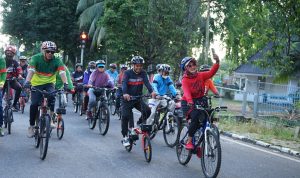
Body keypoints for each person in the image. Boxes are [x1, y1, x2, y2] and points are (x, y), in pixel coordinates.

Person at [24, 41, 68, 138]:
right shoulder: (36, 58)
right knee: (34, 104)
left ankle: (51, 119)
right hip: (36, 83)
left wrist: (66, 84)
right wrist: (27, 82)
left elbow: (62, 73)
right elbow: (31, 71)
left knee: (52, 96)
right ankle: (31, 126)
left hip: (49, 83)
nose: (50, 54)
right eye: (48, 51)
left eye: (52, 52)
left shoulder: (57, 60)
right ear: (43, 51)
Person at [180, 54, 220, 150]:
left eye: (194, 64)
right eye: (189, 65)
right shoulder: (185, 80)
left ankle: (198, 144)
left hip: (200, 99)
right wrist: (190, 101)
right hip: (187, 102)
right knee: (195, 120)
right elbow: (186, 92)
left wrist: (217, 62)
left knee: (207, 117)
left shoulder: (201, 75)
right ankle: (189, 141)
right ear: (185, 68)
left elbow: (211, 73)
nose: (193, 67)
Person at [121, 56, 156, 147]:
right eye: (137, 65)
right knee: (126, 116)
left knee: (147, 111)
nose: (139, 67)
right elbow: (124, 83)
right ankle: (125, 137)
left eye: (140, 66)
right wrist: (125, 93)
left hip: (137, 98)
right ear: (133, 65)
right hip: (127, 99)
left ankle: (139, 124)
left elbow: (147, 83)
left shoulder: (143, 73)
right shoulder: (127, 73)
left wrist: (152, 91)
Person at [4, 45, 23, 111]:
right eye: (8, 53)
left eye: (11, 53)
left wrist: (20, 75)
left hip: (12, 80)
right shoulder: (1, 61)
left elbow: (19, 69)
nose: (9, 54)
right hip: (2, 81)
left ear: (13, 54)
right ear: (5, 53)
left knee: (19, 88)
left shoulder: (15, 62)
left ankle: (14, 104)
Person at [0, 53, 7, 136]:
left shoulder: (1, 60)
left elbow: (3, 74)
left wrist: (1, 84)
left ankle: (0, 126)